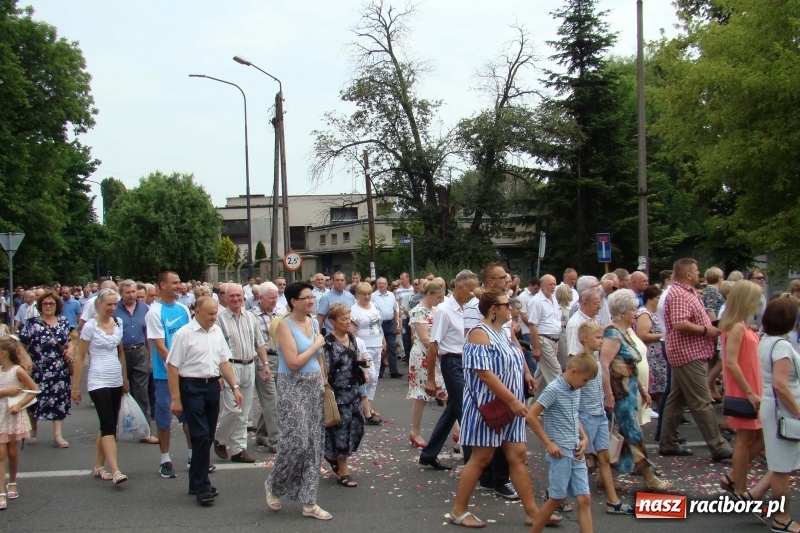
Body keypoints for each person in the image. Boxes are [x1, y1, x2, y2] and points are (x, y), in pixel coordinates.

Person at [448, 289, 554, 529]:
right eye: (507, 305)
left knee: (517, 456)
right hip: (489, 406)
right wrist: (513, 401)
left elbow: (513, 360)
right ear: (493, 309)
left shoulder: (502, 332)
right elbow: (484, 374)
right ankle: (459, 510)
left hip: (511, 407)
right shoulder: (479, 333)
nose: (512, 308)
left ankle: (532, 512)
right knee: (481, 458)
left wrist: (526, 375)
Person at [167, 297, 243, 506]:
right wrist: (176, 399)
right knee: (199, 435)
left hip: (212, 386)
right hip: (191, 387)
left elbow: (223, 361)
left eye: (215, 313)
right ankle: (202, 486)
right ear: (196, 311)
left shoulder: (216, 332)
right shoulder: (184, 334)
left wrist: (235, 387)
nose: (213, 317)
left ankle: (195, 480)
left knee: (208, 435)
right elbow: (172, 367)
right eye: (209, 314)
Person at [265, 281, 332, 521]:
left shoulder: (313, 322)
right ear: (294, 301)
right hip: (292, 386)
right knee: (297, 442)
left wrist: (324, 379)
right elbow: (293, 362)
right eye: (306, 298)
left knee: (314, 445)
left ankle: (310, 502)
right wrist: (317, 343)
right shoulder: (284, 325)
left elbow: (319, 357)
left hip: (314, 384)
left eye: (312, 297)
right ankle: (274, 483)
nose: (311, 301)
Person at [659, 258, 732, 462]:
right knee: (701, 401)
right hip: (688, 353)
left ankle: (668, 442)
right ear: (688, 274)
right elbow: (680, 323)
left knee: (677, 399)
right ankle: (718, 446)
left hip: (689, 352)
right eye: (697, 269)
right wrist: (706, 330)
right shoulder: (680, 294)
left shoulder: (686, 292)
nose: (699, 272)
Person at [601, 289, 673, 490]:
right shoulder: (613, 333)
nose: (636, 313)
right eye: (633, 309)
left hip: (630, 390)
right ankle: (649, 477)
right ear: (623, 312)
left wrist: (642, 390)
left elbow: (631, 367)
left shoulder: (626, 332)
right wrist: (608, 395)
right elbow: (604, 365)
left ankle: (603, 473)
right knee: (633, 435)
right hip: (619, 394)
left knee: (624, 437)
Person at [527, 354, 598, 533]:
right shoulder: (554, 389)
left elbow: (574, 416)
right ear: (573, 372)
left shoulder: (575, 389)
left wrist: (584, 438)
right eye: (585, 380)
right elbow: (531, 416)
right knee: (557, 498)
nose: (586, 384)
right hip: (560, 451)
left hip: (575, 449)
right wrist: (548, 443)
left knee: (584, 498)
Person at [419, 270, 479, 471]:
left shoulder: (471, 307)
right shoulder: (444, 310)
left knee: (453, 409)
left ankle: (429, 454)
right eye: (471, 290)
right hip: (452, 363)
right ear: (460, 288)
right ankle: (473, 462)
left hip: (468, 362)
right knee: (466, 411)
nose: (474, 294)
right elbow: (433, 345)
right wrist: (430, 379)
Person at [717, 280, 769, 503]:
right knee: (745, 439)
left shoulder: (738, 324)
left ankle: (734, 478)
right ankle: (739, 487)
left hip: (750, 388)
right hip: (744, 390)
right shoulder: (736, 326)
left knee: (759, 436)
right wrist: (748, 392)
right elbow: (730, 362)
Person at [574, 321, 633, 514]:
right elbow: (574, 393)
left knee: (604, 456)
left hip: (599, 415)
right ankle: (555, 495)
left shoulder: (597, 362)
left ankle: (613, 501)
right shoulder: (581, 362)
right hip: (586, 415)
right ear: (585, 339)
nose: (601, 341)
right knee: (576, 459)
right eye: (598, 337)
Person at [72, 288, 129, 485]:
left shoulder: (118, 323)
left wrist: (125, 379)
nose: (112, 308)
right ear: (99, 305)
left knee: (109, 423)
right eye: (109, 304)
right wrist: (76, 387)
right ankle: (115, 469)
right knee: (107, 424)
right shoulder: (90, 327)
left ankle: (98, 465)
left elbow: (120, 352)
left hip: (115, 377)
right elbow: (80, 357)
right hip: (98, 378)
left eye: (115, 304)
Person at [214, 283, 269, 463]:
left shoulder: (250, 317)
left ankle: (238, 449)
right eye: (232, 296)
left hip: (250, 365)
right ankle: (219, 438)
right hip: (230, 366)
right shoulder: (220, 320)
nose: (236, 299)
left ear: (243, 297)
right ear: (225, 298)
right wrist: (218, 374)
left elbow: (259, 343)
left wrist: (265, 364)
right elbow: (215, 350)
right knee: (232, 408)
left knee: (244, 411)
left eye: (239, 295)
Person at [758, 297, 800, 533]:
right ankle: (782, 518)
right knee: (782, 467)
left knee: (780, 463)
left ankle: (755, 496)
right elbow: (781, 385)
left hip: (772, 408)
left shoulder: (767, 340)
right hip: (782, 411)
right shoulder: (782, 346)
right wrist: (798, 411)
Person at [146, 271, 192, 479]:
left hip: (187, 373)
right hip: (164, 375)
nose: (178, 286)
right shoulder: (154, 312)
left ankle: (193, 456)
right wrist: (175, 367)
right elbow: (160, 346)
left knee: (190, 417)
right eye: (174, 283)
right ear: (162, 285)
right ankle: (165, 459)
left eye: (179, 282)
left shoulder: (183, 310)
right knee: (164, 419)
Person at [18, 290, 72, 447]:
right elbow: (20, 344)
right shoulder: (32, 323)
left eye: (52, 303)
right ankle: (33, 431)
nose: (48, 306)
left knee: (59, 400)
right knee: (34, 400)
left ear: (57, 306)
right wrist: (26, 357)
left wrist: (70, 349)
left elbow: (67, 341)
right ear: (40, 306)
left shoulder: (63, 321)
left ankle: (58, 435)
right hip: (38, 369)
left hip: (59, 369)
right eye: (45, 303)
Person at [321, 303, 365, 488]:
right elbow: (325, 369)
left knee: (358, 427)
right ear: (332, 321)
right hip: (338, 393)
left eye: (349, 318)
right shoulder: (328, 343)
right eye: (343, 319)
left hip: (353, 390)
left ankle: (331, 456)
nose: (348, 322)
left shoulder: (351, 338)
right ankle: (343, 471)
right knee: (341, 431)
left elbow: (352, 360)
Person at [114, 280, 157, 445]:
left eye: (133, 292)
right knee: (120, 390)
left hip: (139, 351)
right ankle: (118, 428)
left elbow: (148, 334)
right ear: (121, 294)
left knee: (142, 392)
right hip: (120, 353)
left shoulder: (144, 308)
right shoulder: (115, 310)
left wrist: (149, 357)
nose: (131, 295)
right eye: (127, 293)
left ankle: (145, 431)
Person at [407, 279, 447, 447]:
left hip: (435, 352)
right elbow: (424, 338)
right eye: (438, 297)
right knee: (421, 395)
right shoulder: (418, 311)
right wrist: (441, 351)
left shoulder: (435, 309)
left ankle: (459, 432)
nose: (440, 300)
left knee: (446, 393)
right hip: (423, 355)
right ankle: (415, 431)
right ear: (429, 294)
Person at [0, 337, 38, 509]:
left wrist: (20, 404)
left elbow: (34, 390)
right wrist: (5, 391)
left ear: (2, 354)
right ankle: (1, 491)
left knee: (12, 452)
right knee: (1, 454)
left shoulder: (17, 371)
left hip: (12, 414)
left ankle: (12, 481)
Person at [250, 282, 281, 452]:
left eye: (276, 297)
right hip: (263, 359)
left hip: (279, 358)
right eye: (271, 298)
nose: (275, 301)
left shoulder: (279, 312)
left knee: (273, 399)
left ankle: (262, 433)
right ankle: (276, 440)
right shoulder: (252, 316)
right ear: (260, 298)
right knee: (271, 399)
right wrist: (264, 362)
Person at [350, 282, 384, 424]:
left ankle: (366, 407)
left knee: (374, 378)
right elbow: (351, 330)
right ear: (357, 295)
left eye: (369, 293)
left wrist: (383, 341)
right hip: (365, 348)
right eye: (363, 294)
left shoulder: (374, 306)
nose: (367, 296)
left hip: (377, 345)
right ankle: (365, 409)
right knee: (370, 375)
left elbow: (378, 326)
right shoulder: (354, 310)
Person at [633, 286, 667, 409]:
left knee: (662, 386)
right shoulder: (644, 313)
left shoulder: (655, 313)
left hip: (659, 357)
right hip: (652, 356)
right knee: (656, 387)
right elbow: (642, 335)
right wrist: (664, 335)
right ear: (651, 299)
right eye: (659, 298)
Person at [529, 274, 562, 391]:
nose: (553, 287)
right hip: (543, 339)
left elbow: (556, 321)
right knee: (556, 372)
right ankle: (562, 402)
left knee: (541, 375)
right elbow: (533, 325)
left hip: (554, 340)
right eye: (550, 284)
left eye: (554, 284)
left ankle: (532, 402)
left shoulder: (554, 300)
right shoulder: (536, 301)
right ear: (542, 286)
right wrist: (536, 348)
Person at [372, 277, 403, 379]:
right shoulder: (373, 296)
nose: (381, 285)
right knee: (380, 347)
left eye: (383, 283)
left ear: (386, 284)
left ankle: (394, 371)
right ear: (377, 284)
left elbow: (395, 310)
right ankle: (379, 371)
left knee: (392, 347)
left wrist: (397, 323)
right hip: (378, 324)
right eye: (379, 283)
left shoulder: (391, 295)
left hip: (390, 323)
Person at [554, 284, 572, 371]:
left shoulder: (570, 308)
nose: (572, 293)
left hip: (569, 337)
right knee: (564, 363)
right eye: (569, 291)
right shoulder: (559, 309)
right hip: (562, 338)